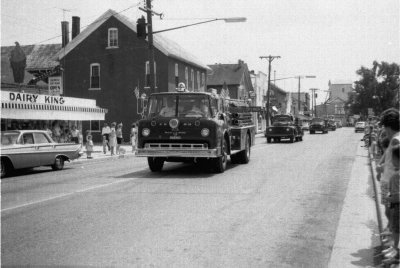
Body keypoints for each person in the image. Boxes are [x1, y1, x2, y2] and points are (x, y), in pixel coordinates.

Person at [376, 108, 400, 237]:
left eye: (384, 127)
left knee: (391, 212)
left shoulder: (396, 139)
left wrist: (381, 167)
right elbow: (388, 154)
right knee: (388, 211)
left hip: (392, 182)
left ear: (388, 127)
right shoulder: (394, 139)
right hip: (389, 180)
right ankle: (390, 231)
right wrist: (381, 165)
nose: (384, 131)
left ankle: (392, 237)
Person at [382, 144, 400, 265]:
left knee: (396, 231)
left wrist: (388, 198)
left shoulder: (396, 177)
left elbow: (398, 196)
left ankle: (396, 254)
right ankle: (395, 250)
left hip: (397, 208)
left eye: (392, 158)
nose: (391, 160)